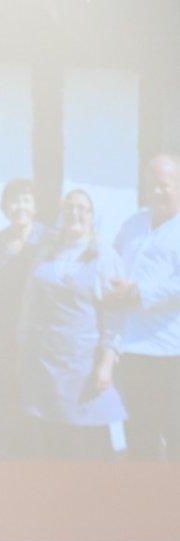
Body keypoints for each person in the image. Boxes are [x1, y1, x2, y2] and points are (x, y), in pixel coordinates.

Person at [18, 189, 126, 459]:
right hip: (45, 364)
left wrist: (106, 364)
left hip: (83, 368)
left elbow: (115, 316)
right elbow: (29, 305)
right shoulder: (45, 255)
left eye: (82, 209)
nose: (74, 214)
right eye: (69, 208)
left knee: (84, 446)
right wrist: (23, 348)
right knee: (49, 442)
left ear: (92, 216)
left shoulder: (104, 256)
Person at [109, 152, 180, 460]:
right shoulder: (134, 223)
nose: (158, 192)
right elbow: (112, 261)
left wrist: (138, 293)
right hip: (132, 350)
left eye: (165, 185)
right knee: (140, 435)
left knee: (175, 435)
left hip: (171, 352)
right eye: (153, 186)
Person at [0, 178, 49, 454]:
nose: (20, 207)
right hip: (3, 330)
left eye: (26, 200)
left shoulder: (51, 241)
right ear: (5, 207)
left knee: (35, 394)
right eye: (14, 201)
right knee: (3, 394)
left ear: (36, 206)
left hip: (39, 331)